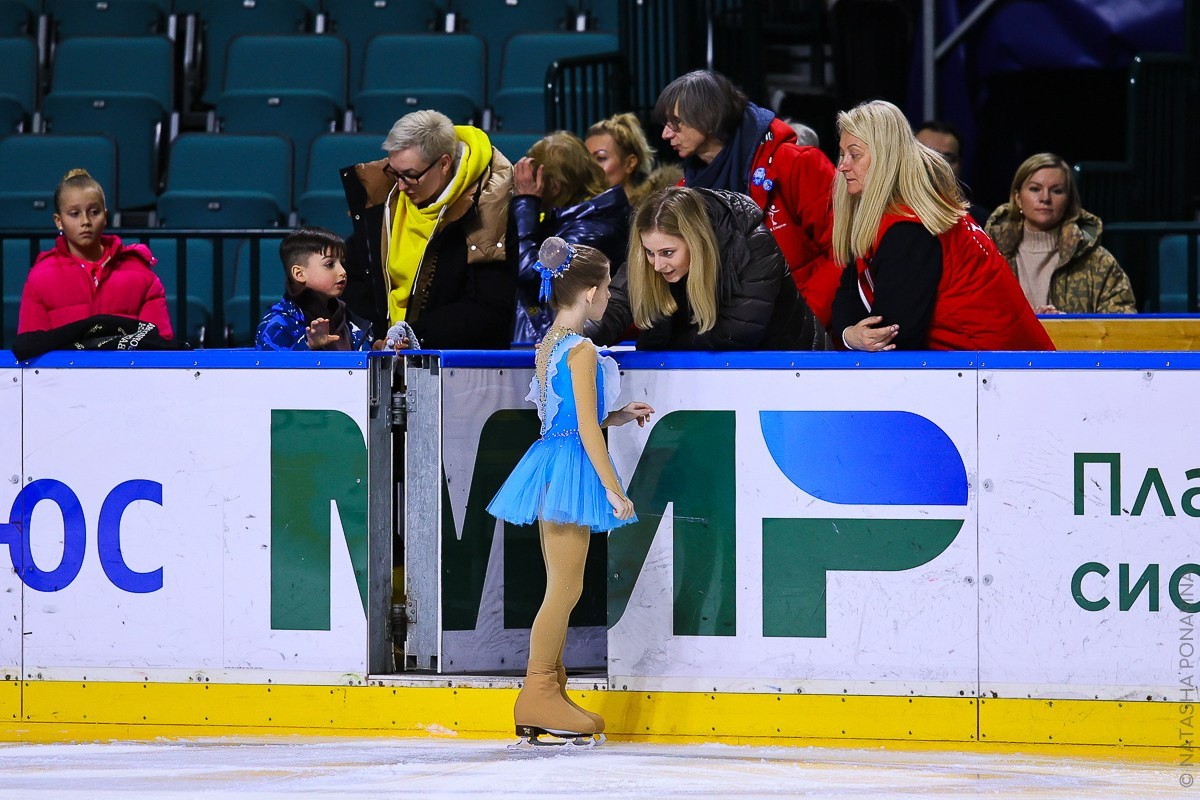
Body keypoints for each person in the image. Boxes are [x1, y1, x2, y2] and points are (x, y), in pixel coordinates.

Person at [486, 237, 654, 744]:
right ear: (591, 292)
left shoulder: (552, 341)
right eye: (608, 290)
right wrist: (614, 488)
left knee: (562, 582)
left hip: (554, 460)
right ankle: (537, 690)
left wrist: (619, 416)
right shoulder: (580, 349)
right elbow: (584, 428)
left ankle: (550, 690)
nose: (609, 299)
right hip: (572, 465)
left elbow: (571, 414)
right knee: (564, 586)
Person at [830, 100, 1054, 352]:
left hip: (1002, 375)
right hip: (991, 369)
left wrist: (855, 337)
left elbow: (891, 338)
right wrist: (850, 335)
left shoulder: (911, 227)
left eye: (855, 154)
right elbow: (847, 296)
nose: (842, 166)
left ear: (885, 158)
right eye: (842, 153)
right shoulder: (900, 215)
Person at [655, 69, 839, 328]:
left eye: (676, 123)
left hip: (804, 338)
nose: (666, 134)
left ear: (709, 118)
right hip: (737, 341)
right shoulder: (686, 192)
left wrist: (804, 324)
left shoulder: (795, 164)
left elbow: (843, 249)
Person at [340, 109, 515, 349]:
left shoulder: (488, 209)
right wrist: (372, 340)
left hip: (454, 367)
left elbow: (490, 308)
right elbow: (360, 285)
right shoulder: (383, 199)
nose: (400, 186)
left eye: (411, 176)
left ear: (444, 163)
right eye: (394, 172)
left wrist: (415, 338)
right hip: (385, 359)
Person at [588, 186, 829, 351]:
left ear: (696, 241)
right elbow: (615, 304)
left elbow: (737, 334)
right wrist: (577, 336)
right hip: (726, 374)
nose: (658, 265)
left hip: (798, 366)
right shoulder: (655, 240)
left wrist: (661, 345)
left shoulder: (753, 243)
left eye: (668, 253)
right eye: (650, 253)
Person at [18, 169, 173, 339]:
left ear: (105, 217)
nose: (85, 222)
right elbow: (31, 348)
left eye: (94, 212)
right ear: (59, 221)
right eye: (74, 214)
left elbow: (159, 346)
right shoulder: (40, 278)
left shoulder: (141, 274)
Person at [511, 131, 631, 342]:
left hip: (561, 344)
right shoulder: (565, 218)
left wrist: (526, 202)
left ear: (555, 187)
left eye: (534, 178)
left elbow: (536, 277)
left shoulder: (594, 227)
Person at [985, 153, 1136, 315]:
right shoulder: (988, 256)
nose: (1045, 198)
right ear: (1018, 198)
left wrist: (1066, 328)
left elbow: (1122, 325)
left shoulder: (1098, 262)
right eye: (1035, 189)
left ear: (1069, 200)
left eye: (1057, 191)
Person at [255, 227, 377, 351]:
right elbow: (272, 368)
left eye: (342, 263)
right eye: (329, 264)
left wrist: (383, 353)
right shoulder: (278, 324)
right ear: (299, 274)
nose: (343, 271)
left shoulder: (351, 321)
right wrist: (309, 346)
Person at [585, 112, 681, 207]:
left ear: (630, 163)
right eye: (587, 160)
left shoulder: (656, 212)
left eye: (601, 158)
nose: (591, 167)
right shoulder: (581, 212)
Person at [915, 119, 990, 226]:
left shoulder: (982, 222)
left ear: (960, 165)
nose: (939, 166)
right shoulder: (888, 211)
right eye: (929, 157)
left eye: (948, 159)